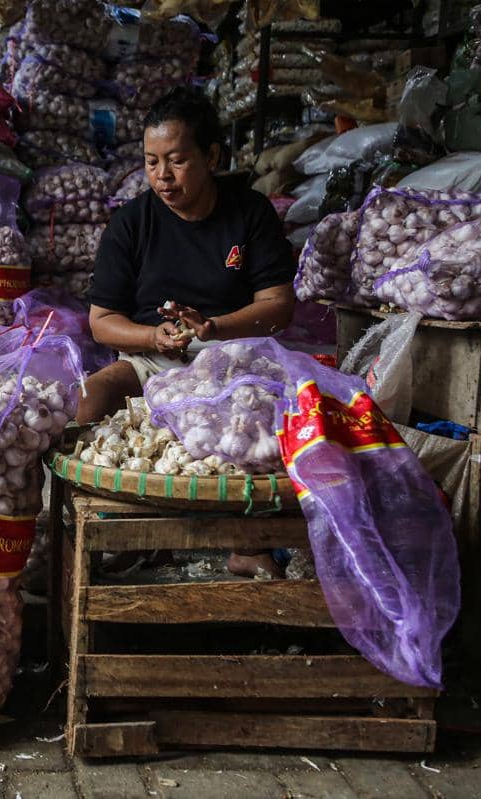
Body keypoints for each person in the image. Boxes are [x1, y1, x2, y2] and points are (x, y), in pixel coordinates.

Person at [78, 86, 296, 577]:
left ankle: (250, 543)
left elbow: (278, 307)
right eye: (152, 162)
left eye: (176, 161)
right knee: (88, 402)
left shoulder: (250, 214)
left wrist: (214, 328)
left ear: (212, 156)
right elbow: (101, 321)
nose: (162, 176)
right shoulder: (132, 223)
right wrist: (153, 337)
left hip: (234, 361)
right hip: (151, 358)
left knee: (255, 430)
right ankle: (129, 532)